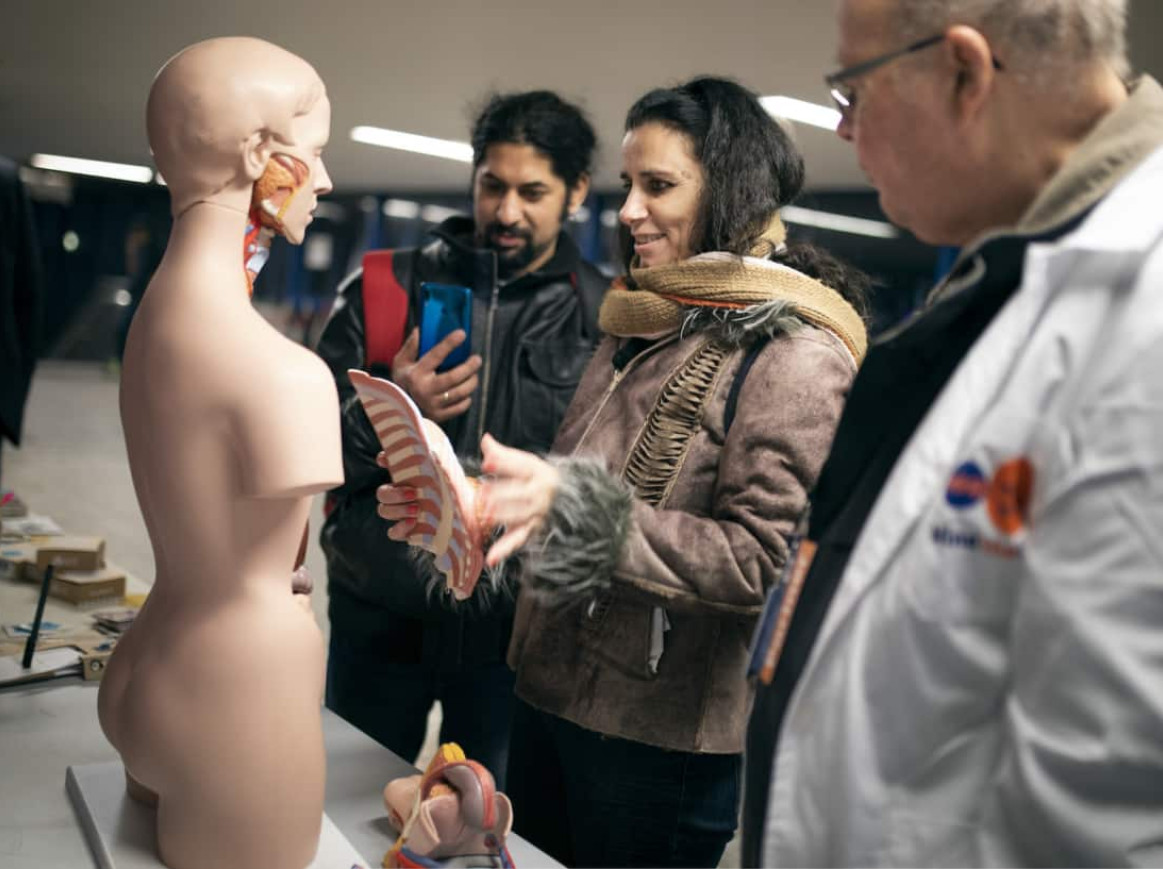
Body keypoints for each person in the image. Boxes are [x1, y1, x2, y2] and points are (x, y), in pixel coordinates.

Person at [382, 76, 870, 868]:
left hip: (655, 746)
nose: (629, 210)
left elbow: (762, 560)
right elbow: (579, 489)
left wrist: (578, 511)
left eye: (659, 186)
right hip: (546, 697)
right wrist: (473, 512)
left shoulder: (796, 354)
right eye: (627, 185)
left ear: (733, 191)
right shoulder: (644, 316)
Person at [744, 1, 1163, 865]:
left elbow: (1099, 820)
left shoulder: (1141, 319)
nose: (842, 126)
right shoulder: (1006, 276)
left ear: (965, 74)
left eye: (852, 90)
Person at [96, 38, 342, 869]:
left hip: (148, 663)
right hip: (241, 706)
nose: (325, 181)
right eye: (314, 156)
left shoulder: (153, 323)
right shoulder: (286, 375)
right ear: (259, 157)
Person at [315, 91, 607, 784]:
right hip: (378, 610)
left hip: (512, 638)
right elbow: (309, 437)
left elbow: (608, 479)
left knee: (486, 825)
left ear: (575, 192)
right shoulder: (385, 287)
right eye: (492, 186)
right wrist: (395, 405)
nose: (506, 212)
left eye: (532, 191)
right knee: (341, 802)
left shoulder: (604, 316)